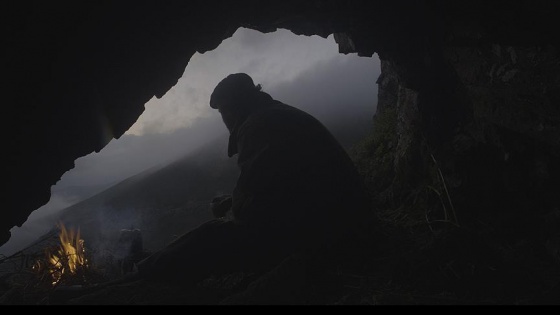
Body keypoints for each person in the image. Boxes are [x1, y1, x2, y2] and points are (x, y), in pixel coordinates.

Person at [135, 73, 373, 285]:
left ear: (231, 108)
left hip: (331, 236)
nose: (224, 119)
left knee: (213, 236)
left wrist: (234, 206)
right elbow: (284, 182)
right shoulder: (278, 113)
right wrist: (234, 200)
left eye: (222, 112)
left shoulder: (257, 126)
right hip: (346, 219)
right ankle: (151, 264)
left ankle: (142, 272)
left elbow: (251, 212)